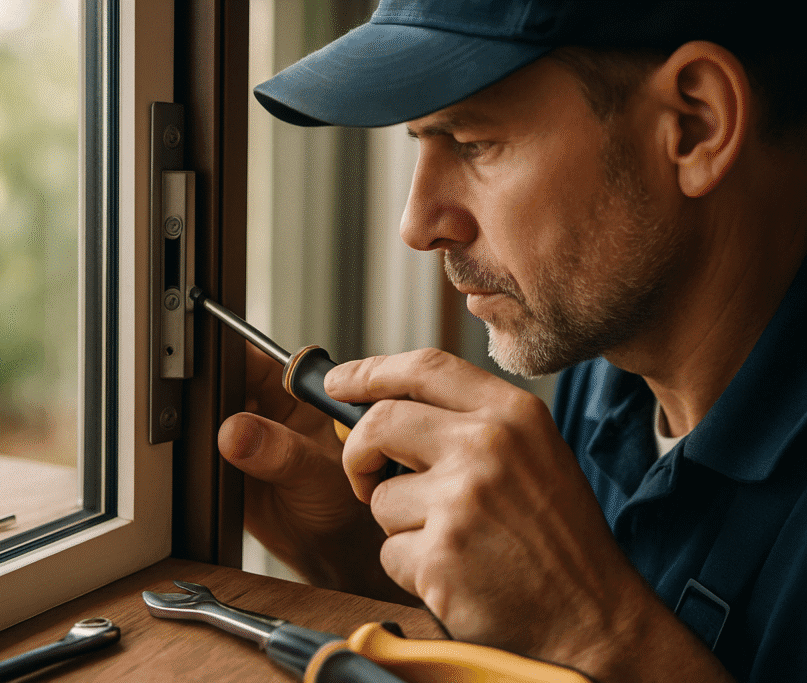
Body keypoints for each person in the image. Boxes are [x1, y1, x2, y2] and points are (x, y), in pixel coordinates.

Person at [218, 1, 807, 681]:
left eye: (473, 143)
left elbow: (585, 638)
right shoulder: (611, 372)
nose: (417, 224)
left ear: (694, 124)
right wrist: (362, 557)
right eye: (419, 142)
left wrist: (595, 629)